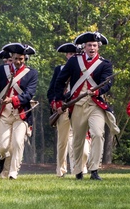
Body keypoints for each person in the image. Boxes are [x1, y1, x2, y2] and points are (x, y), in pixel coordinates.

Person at [48, 31, 114, 181]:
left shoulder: (105, 64)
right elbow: (60, 81)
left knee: (98, 134)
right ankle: (78, 170)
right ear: (84, 46)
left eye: (95, 45)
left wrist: (97, 91)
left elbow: (107, 83)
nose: (92, 48)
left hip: (95, 104)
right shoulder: (74, 61)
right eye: (89, 45)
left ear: (98, 47)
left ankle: (94, 169)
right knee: (77, 139)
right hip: (76, 104)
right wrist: (58, 101)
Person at [0, 43, 38, 180]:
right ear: (11, 58)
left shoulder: (32, 73)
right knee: (3, 146)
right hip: (3, 114)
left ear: (25, 59)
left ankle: (13, 172)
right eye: (16, 58)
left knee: (18, 142)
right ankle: (1, 157)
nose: (18, 61)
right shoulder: (2, 71)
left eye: (21, 59)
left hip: (21, 115)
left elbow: (29, 94)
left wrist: (14, 100)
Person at [47, 42, 79, 177]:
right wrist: (55, 103)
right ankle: (61, 170)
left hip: (77, 106)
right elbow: (52, 90)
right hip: (62, 107)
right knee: (62, 141)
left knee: (77, 139)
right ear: (66, 55)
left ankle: (78, 168)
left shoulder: (81, 69)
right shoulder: (59, 69)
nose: (72, 56)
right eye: (70, 54)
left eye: (75, 54)